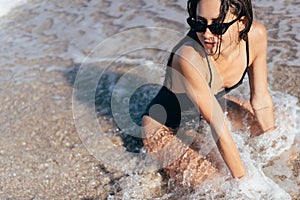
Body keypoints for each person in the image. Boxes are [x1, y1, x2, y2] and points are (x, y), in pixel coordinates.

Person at [142, 0, 276, 186]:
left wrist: (271, 142)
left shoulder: (256, 36)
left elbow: (260, 98)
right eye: (199, 23)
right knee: (218, 185)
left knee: (280, 132)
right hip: (164, 126)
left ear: (242, 23)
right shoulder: (188, 58)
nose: (206, 34)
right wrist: (245, 183)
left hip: (206, 110)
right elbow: (218, 126)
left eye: (218, 26)